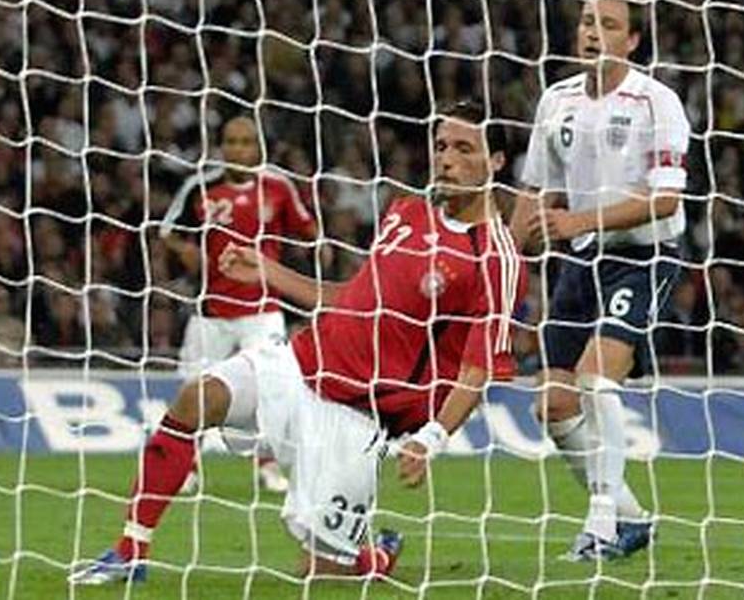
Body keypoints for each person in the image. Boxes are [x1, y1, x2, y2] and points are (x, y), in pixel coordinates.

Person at [69, 100, 527, 584]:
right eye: (440, 146)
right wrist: (269, 271)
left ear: (497, 161)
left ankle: (374, 556)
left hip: (359, 414)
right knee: (197, 398)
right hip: (301, 364)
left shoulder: (496, 258)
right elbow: (352, 298)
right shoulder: (407, 212)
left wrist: (431, 438)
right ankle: (130, 550)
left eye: (463, 149)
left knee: (321, 573)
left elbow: (478, 369)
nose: (447, 159)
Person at [510, 0, 691, 561]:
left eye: (609, 25)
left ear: (631, 41)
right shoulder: (557, 100)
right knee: (552, 405)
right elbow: (535, 191)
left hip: (644, 257)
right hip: (581, 259)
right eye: (587, 22)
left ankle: (603, 523)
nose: (593, 32)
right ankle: (632, 518)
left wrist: (575, 221)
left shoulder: (656, 102)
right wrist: (505, 262)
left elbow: (665, 200)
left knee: (595, 380)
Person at [160, 116, 316, 493]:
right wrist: (184, 249)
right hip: (211, 310)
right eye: (231, 142)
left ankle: (268, 465)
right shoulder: (201, 186)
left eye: (246, 142)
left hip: (264, 309)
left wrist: (306, 253)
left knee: (272, 389)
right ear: (221, 147)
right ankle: (186, 468)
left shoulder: (278, 186)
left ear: (258, 148)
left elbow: (309, 230)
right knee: (194, 390)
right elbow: (167, 230)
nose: (237, 149)